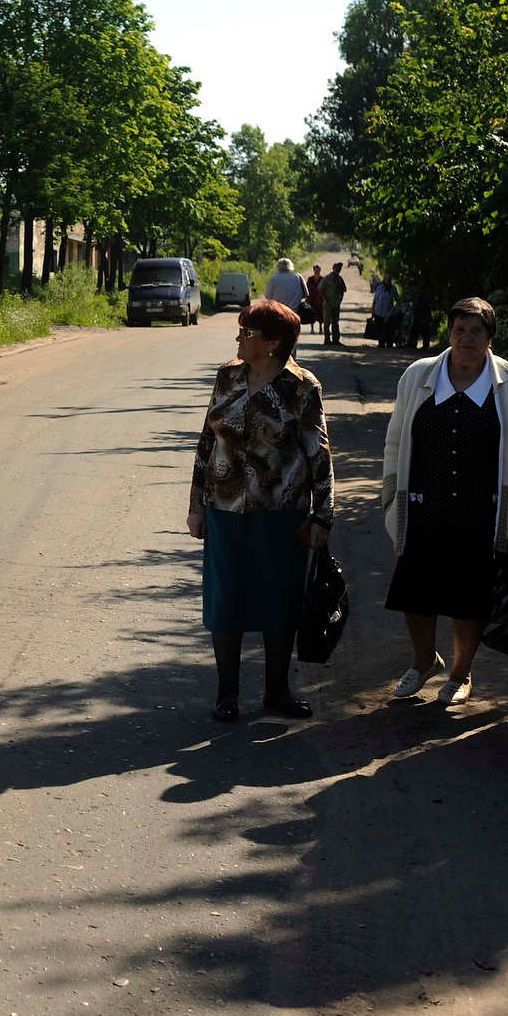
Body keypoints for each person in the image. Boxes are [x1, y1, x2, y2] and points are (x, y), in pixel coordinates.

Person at [187, 299, 333, 723]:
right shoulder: (228, 376)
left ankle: (277, 692)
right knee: (226, 601)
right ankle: (227, 694)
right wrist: (196, 505)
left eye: (247, 332)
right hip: (225, 508)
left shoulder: (302, 387)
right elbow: (206, 443)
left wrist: (322, 516)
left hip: (281, 513)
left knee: (279, 603)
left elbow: (319, 455)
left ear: (273, 343)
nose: (238, 338)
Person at [381, 297, 508, 705]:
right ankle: (423, 660)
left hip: (481, 509)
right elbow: (396, 439)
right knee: (416, 592)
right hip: (422, 504)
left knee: (470, 598)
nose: (466, 338)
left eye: (476, 331)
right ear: (449, 333)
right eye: (459, 330)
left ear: (490, 338)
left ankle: (462, 673)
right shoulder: (418, 375)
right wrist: (390, 495)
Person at [321, 262, 347, 344]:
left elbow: (343, 290)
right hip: (328, 303)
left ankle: (336, 339)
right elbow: (320, 289)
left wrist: (340, 300)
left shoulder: (340, 279)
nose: (338, 270)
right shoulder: (327, 278)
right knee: (327, 322)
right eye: (336, 268)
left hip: (336, 303)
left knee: (335, 322)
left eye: (339, 269)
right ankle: (327, 339)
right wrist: (325, 299)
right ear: (333, 268)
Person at [371, 276, 399, 349]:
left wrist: (395, 310)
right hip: (378, 312)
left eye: (389, 280)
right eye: (386, 280)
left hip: (388, 313)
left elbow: (397, 300)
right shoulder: (379, 288)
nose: (388, 282)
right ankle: (381, 343)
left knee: (388, 329)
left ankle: (389, 343)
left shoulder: (393, 288)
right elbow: (375, 300)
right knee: (379, 329)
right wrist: (373, 311)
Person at [305, 265, 325, 337]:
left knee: (321, 315)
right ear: (314, 270)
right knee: (312, 314)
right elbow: (307, 288)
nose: (317, 272)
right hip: (312, 299)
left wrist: (325, 299)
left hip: (320, 299)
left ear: (320, 270)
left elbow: (325, 289)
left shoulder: (323, 279)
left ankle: (320, 328)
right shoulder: (310, 279)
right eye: (315, 270)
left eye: (318, 270)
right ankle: (312, 329)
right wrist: (307, 299)